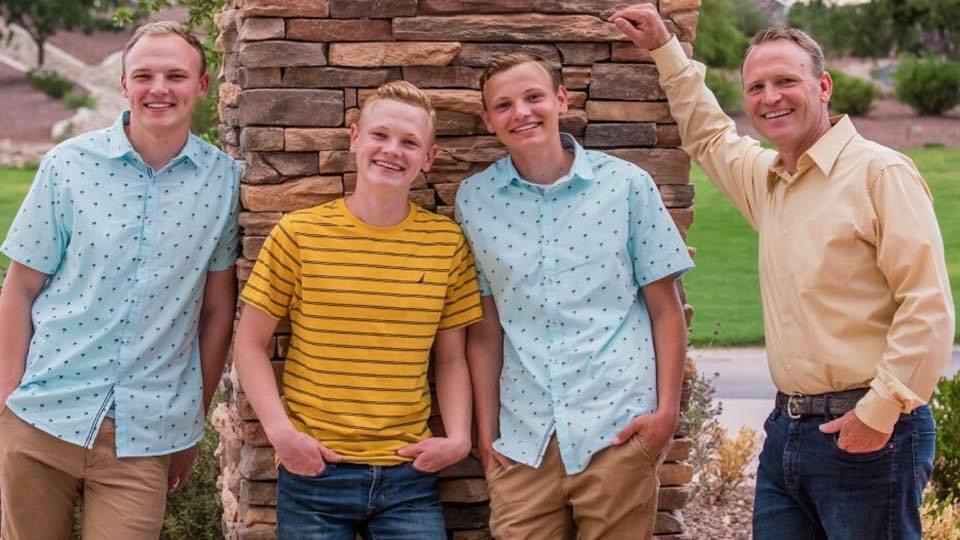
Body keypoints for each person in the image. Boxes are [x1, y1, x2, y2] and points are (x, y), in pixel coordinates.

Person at [611, 4, 956, 539]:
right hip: (787, 433)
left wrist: (878, 414)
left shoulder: (880, 174)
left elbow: (928, 307)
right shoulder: (770, 180)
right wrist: (663, 47)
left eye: (785, 81)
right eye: (756, 87)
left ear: (824, 86)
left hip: (869, 434)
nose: (770, 97)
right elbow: (710, 137)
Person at [0, 21, 240, 540]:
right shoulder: (67, 165)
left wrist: (190, 425)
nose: (159, 89)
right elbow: (20, 288)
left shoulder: (224, 183)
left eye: (176, 75)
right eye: (144, 75)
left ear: (202, 85)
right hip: (39, 417)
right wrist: (5, 398)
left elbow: (218, 312)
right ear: (124, 83)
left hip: (145, 436)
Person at [455, 52, 694, 539]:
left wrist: (666, 415)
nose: (521, 112)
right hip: (523, 439)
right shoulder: (474, 200)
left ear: (561, 100)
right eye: (504, 105)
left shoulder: (626, 185)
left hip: (617, 428)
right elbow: (485, 328)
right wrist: (486, 432)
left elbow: (666, 309)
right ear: (488, 119)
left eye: (534, 97)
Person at [233, 80, 483, 540]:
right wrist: (282, 435)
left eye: (409, 142)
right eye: (379, 135)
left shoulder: (446, 244)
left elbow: (451, 358)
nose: (392, 150)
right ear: (354, 138)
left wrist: (458, 438)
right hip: (315, 473)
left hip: (409, 476)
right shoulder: (299, 234)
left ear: (428, 158)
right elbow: (249, 345)